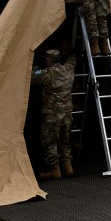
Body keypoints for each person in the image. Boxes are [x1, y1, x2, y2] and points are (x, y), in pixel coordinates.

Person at [32, 48, 77, 180]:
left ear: (48, 61)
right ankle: (68, 167)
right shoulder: (68, 69)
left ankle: (55, 170)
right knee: (65, 141)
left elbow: (32, 75)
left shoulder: (46, 72)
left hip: (52, 115)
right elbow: (72, 61)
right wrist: (72, 53)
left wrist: (35, 66)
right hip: (67, 113)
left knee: (50, 142)